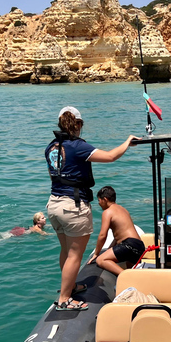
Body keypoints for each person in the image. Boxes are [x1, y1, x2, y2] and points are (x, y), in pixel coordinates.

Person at [45, 106, 139, 311]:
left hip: (53, 204)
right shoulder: (78, 146)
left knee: (65, 250)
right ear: (78, 124)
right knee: (74, 255)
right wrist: (128, 141)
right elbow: (111, 156)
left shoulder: (51, 146)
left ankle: (70, 287)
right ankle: (64, 299)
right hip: (73, 206)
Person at [90, 186, 145, 277]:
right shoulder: (123, 209)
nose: (99, 204)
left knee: (101, 260)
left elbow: (102, 235)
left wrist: (96, 254)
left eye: (99, 200)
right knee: (129, 268)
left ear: (105, 199)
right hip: (139, 246)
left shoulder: (108, 212)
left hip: (129, 245)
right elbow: (118, 237)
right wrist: (109, 250)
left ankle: (126, 277)